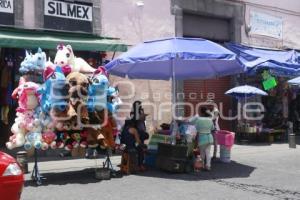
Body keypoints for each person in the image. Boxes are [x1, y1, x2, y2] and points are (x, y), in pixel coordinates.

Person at [190, 107, 214, 171]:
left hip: (202, 138)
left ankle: (202, 165)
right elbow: (212, 128)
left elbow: (194, 127)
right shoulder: (210, 120)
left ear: (201, 112)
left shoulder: (198, 120)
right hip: (210, 137)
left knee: (202, 153)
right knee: (208, 153)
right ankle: (208, 166)